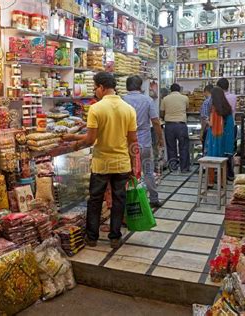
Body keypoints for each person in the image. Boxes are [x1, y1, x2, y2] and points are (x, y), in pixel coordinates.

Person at [62, 72, 138, 249]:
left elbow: (90, 140)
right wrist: (133, 165)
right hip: (122, 163)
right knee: (119, 200)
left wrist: (74, 143)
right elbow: (133, 140)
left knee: (95, 200)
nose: (95, 91)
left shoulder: (96, 109)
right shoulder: (128, 109)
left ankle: (92, 237)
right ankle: (114, 237)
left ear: (102, 87)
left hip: (101, 163)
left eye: (95, 87)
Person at [123, 75, 164, 208]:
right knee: (147, 171)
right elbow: (156, 122)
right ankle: (153, 199)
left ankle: (129, 201)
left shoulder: (122, 100)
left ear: (127, 87)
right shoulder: (147, 100)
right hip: (144, 142)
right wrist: (160, 139)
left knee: (127, 173)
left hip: (126, 144)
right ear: (140, 87)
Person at [205, 87, 235, 186]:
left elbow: (212, 124)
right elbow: (229, 125)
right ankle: (222, 181)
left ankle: (210, 182)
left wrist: (208, 122)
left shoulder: (214, 109)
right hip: (225, 139)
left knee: (211, 158)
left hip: (215, 138)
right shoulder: (227, 108)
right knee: (223, 160)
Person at [160, 83, 190, 173]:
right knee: (184, 147)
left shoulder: (165, 99)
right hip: (181, 125)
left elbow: (162, 112)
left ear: (170, 90)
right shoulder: (185, 98)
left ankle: (173, 168)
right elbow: (187, 109)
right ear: (180, 90)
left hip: (169, 126)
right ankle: (184, 168)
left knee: (171, 147)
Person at [216, 78, 237, 180]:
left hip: (220, 126)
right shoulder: (234, 97)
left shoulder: (218, 98)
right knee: (229, 150)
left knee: (220, 149)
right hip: (231, 125)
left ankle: (220, 174)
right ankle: (230, 173)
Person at [200, 84, 214, 155]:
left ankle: (206, 165)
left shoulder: (206, 102)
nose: (203, 94)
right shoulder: (216, 100)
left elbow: (204, 118)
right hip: (216, 130)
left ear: (206, 91)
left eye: (204, 92)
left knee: (206, 150)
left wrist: (202, 132)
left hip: (208, 129)